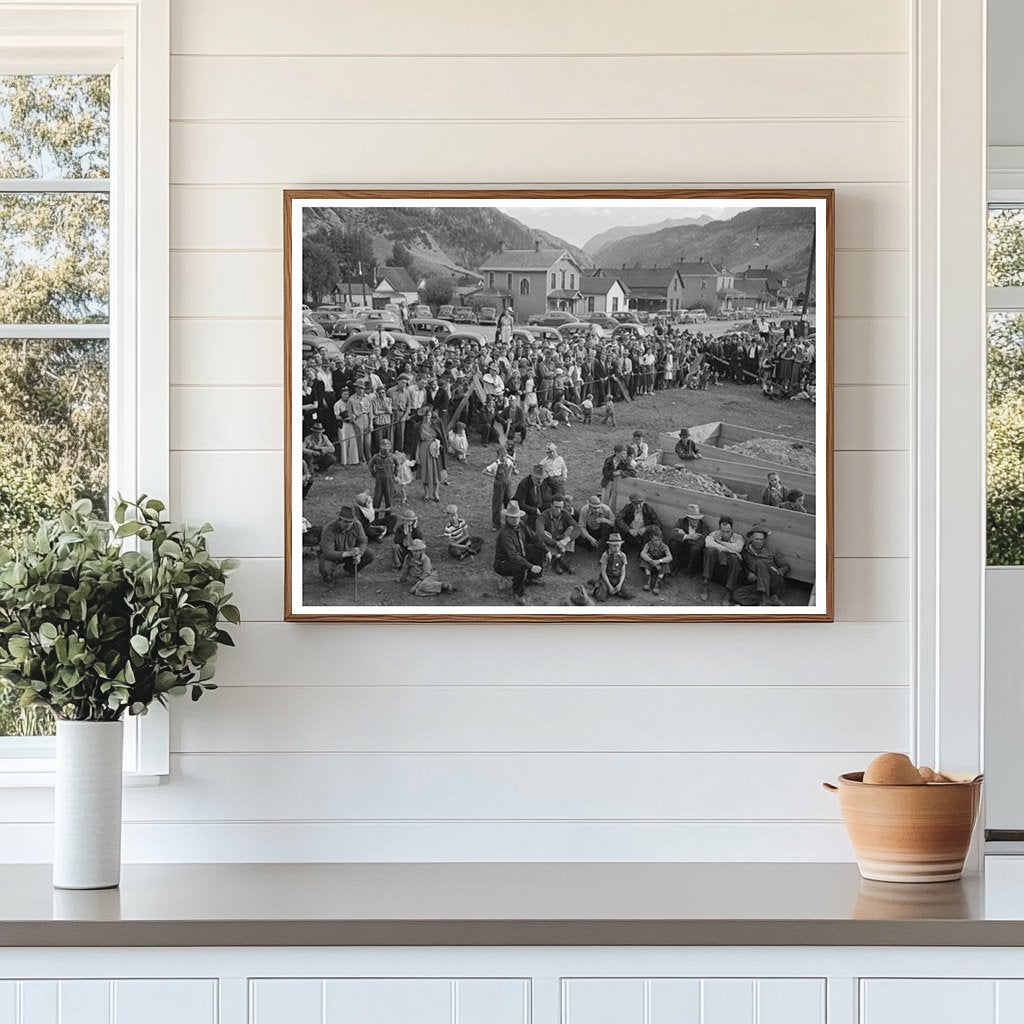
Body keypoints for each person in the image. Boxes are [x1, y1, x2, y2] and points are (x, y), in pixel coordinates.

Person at [493, 501, 545, 606]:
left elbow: (534, 537)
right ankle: (518, 593)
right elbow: (513, 556)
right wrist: (531, 566)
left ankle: (531, 578)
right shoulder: (505, 534)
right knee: (520, 566)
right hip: (503, 562)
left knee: (539, 549)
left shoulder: (521, 524)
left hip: (520, 554)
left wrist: (547, 550)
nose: (515, 520)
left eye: (517, 517)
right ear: (507, 518)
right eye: (512, 517)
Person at [732, 526, 791, 606]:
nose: (759, 542)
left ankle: (765, 600)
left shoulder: (772, 550)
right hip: (758, 584)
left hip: (775, 583)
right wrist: (749, 573)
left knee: (760, 563)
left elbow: (786, 566)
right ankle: (769, 600)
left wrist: (779, 571)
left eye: (761, 539)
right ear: (751, 538)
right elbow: (744, 567)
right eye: (757, 539)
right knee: (737, 595)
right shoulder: (745, 552)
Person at [318, 504, 373, 583]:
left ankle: (350, 569)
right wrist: (349, 553)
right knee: (325, 568)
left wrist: (359, 555)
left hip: (350, 551)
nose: (349, 524)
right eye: (346, 522)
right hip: (332, 555)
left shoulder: (357, 525)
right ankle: (327, 578)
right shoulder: (328, 530)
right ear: (340, 520)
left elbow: (363, 541)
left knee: (369, 554)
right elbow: (328, 553)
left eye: (351, 522)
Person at [699, 515, 744, 604]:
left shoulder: (738, 538)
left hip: (728, 572)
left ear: (732, 529)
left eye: (728, 531)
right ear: (719, 529)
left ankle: (729, 591)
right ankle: (705, 584)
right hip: (715, 568)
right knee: (710, 551)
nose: (725, 534)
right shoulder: (714, 534)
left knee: (734, 558)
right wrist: (730, 550)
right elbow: (708, 543)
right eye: (722, 531)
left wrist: (719, 543)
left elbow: (738, 548)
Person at [540, 495, 578, 575]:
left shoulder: (565, 513)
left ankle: (557, 558)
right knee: (545, 534)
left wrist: (566, 540)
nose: (558, 510)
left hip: (561, 538)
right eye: (556, 507)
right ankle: (560, 559)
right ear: (551, 505)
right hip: (550, 540)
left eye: (560, 507)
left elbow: (577, 528)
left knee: (571, 528)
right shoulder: (544, 515)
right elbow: (540, 533)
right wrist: (556, 543)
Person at [667, 502, 709, 575]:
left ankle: (690, 570)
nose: (696, 521)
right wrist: (689, 536)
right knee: (674, 542)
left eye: (697, 519)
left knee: (695, 549)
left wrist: (683, 536)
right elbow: (671, 533)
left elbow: (701, 543)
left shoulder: (704, 527)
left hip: (694, 553)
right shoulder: (681, 521)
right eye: (693, 519)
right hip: (682, 549)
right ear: (688, 518)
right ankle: (675, 565)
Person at [484, 444, 517, 529]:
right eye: (502, 456)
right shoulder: (495, 464)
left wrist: (509, 476)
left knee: (508, 501)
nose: (504, 457)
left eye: (505, 455)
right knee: (497, 504)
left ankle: (509, 521)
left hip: (507, 483)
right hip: (499, 485)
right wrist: (494, 475)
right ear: (498, 456)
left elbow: (512, 466)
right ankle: (496, 524)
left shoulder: (508, 461)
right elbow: (484, 471)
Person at [416, 402, 444, 502]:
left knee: (435, 470)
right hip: (424, 447)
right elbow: (417, 441)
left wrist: (439, 444)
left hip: (434, 447)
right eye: (425, 415)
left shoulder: (435, 423)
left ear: (431, 415)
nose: (427, 417)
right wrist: (416, 455)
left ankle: (435, 493)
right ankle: (426, 493)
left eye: (428, 415)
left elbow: (441, 436)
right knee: (425, 470)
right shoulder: (419, 426)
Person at [593, 532, 632, 601]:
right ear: (609, 545)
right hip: (607, 577)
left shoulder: (623, 555)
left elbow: (623, 572)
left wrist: (620, 584)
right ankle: (600, 585)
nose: (616, 548)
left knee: (628, 594)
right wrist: (609, 586)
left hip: (617, 578)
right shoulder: (605, 555)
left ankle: (615, 589)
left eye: (618, 546)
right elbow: (603, 572)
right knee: (600, 597)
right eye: (614, 546)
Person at [513, 463, 551, 529]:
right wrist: (535, 510)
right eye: (537, 480)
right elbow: (521, 504)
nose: (539, 482)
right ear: (532, 477)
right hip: (527, 507)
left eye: (541, 480)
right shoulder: (524, 485)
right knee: (531, 523)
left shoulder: (545, 479)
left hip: (539, 503)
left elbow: (557, 487)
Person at [367, 438, 398, 518]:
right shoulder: (376, 457)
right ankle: (374, 517)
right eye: (384, 449)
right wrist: (373, 473)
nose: (386, 451)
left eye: (387, 449)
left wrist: (395, 472)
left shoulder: (393, 457)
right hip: (379, 481)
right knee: (377, 499)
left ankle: (388, 517)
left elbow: (397, 464)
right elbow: (370, 465)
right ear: (380, 448)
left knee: (389, 500)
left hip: (389, 481)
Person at [639, 524, 672, 595]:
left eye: (659, 540)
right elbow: (642, 553)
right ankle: (648, 580)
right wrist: (651, 561)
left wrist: (659, 561)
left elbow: (670, 557)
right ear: (651, 538)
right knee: (646, 556)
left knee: (666, 562)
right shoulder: (648, 545)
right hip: (651, 564)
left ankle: (658, 583)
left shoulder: (664, 546)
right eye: (655, 540)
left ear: (662, 538)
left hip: (660, 566)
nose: (657, 542)